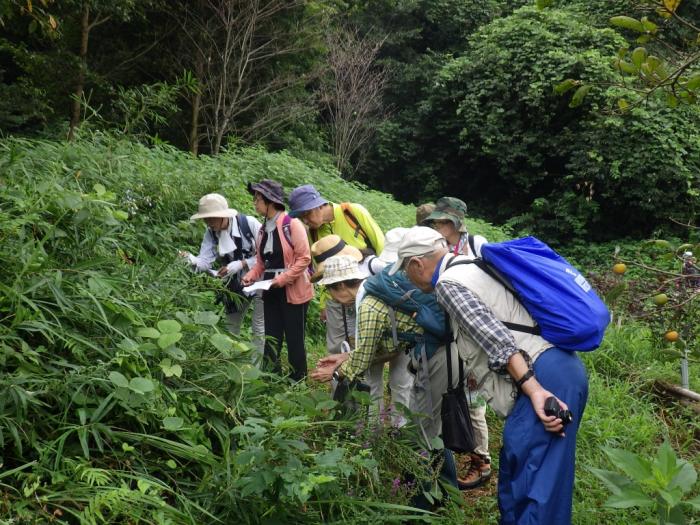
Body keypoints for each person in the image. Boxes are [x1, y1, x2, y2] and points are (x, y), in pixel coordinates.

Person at [392, 226, 588, 525]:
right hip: (553, 366)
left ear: (417, 264)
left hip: (543, 375)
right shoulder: (470, 266)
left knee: (537, 482)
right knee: (516, 465)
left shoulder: (449, 283)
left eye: (405, 270)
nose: (407, 278)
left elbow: (497, 339)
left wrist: (536, 391)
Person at [310, 229, 414, 427]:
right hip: (389, 343)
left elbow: (377, 353)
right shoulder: (361, 294)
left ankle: (397, 434)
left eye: (329, 288)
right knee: (372, 384)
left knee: (400, 383)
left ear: (340, 286)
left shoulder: (368, 302)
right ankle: (372, 433)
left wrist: (337, 370)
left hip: (405, 342)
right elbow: (367, 350)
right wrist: (344, 358)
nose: (330, 296)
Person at [423, 196, 492, 489]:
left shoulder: (477, 246)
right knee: (455, 397)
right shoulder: (437, 248)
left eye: (443, 222)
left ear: (456, 223)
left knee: (475, 402)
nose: (438, 227)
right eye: (436, 222)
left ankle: (482, 463)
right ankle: (455, 455)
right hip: (449, 335)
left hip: (474, 336)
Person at [288, 184, 385, 356]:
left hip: (365, 289)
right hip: (336, 293)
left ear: (318, 205)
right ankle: (339, 379)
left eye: (306, 214)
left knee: (366, 341)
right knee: (336, 344)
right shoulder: (314, 233)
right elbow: (321, 271)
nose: (306, 221)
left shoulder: (353, 213)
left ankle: (363, 378)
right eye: (302, 217)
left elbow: (381, 246)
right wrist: (324, 303)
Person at [241, 180, 313, 381]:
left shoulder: (292, 224)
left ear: (270, 201)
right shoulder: (263, 230)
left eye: (258, 199)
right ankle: (271, 378)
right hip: (270, 290)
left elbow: (304, 258)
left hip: (292, 290)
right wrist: (251, 275)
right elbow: (261, 263)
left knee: (294, 338)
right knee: (271, 337)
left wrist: (283, 279)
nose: (255, 203)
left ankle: (297, 380)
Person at [179, 193, 264, 359]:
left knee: (259, 327)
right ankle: (230, 362)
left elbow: (268, 255)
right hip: (233, 285)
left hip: (260, 280)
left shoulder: (249, 224)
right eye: (205, 219)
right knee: (231, 324)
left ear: (223, 215)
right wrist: (189, 259)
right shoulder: (211, 233)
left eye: (212, 218)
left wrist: (242, 264)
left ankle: (259, 367)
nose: (208, 222)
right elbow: (204, 261)